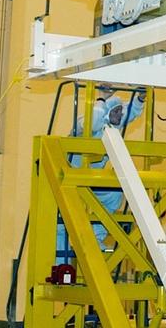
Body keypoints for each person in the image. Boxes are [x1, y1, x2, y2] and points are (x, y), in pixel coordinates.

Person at [57, 90, 146, 254]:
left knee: (113, 195)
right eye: (116, 111)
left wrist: (140, 98)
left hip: (91, 179)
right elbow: (92, 123)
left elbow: (130, 114)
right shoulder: (86, 122)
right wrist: (101, 99)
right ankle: (60, 266)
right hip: (67, 177)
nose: (119, 114)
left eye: (120, 111)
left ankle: (94, 239)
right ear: (107, 111)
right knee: (61, 223)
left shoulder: (112, 128)